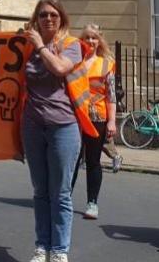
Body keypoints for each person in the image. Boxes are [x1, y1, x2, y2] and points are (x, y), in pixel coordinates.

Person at [22, 0, 85, 262]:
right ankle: (41, 246)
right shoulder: (25, 47)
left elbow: (60, 69)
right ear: (36, 19)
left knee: (60, 193)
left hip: (63, 126)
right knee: (40, 191)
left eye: (54, 15)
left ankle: (59, 251)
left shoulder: (71, 45)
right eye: (44, 15)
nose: (48, 19)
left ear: (62, 19)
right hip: (33, 125)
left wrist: (40, 46)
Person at [70, 24, 117, 220]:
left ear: (100, 41)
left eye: (94, 38)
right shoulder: (73, 62)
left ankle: (92, 202)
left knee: (93, 161)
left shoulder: (106, 63)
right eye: (87, 37)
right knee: (70, 160)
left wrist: (112, 121)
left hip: (97, 116)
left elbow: (111, 96)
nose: (90, 41)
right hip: (74, 116)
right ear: (81, 40)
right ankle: (63, 198)